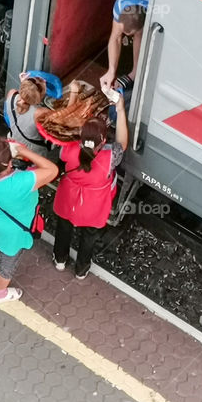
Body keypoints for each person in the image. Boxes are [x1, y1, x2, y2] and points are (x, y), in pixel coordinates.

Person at [51, 97, 128, 279]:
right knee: (89, 235)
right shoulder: (111, 156)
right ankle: (81, 269)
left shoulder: (67, 148)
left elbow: (66, 125)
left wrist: (75, 98)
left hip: (68, 197)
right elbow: (122, 143)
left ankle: (60, 259)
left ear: (81, 135)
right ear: (103, 141)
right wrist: (120, 109)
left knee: (64, 227)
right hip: (94, 204)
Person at [0, 138, 58, 303]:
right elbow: (52, 170)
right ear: (9, 163)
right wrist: (23, 151)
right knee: (8, 262)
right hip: (12, 233)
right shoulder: (21, 182)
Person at [99, 0, 154, 95]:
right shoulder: (119, 5)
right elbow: (115, 38)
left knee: (139, 35)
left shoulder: (154, 9)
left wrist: (135, 71)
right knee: (127, 33)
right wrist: (111, 71)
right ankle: (134, 72)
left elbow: (140, 35)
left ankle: (135, 72)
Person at [3, 74, 50, 156]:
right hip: (32, 152)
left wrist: (26, 87)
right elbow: (64, 122)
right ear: (40, 97)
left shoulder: (12, 93)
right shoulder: (41, 112)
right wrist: (73, 92)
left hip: (13, 141)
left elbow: (23, 98)